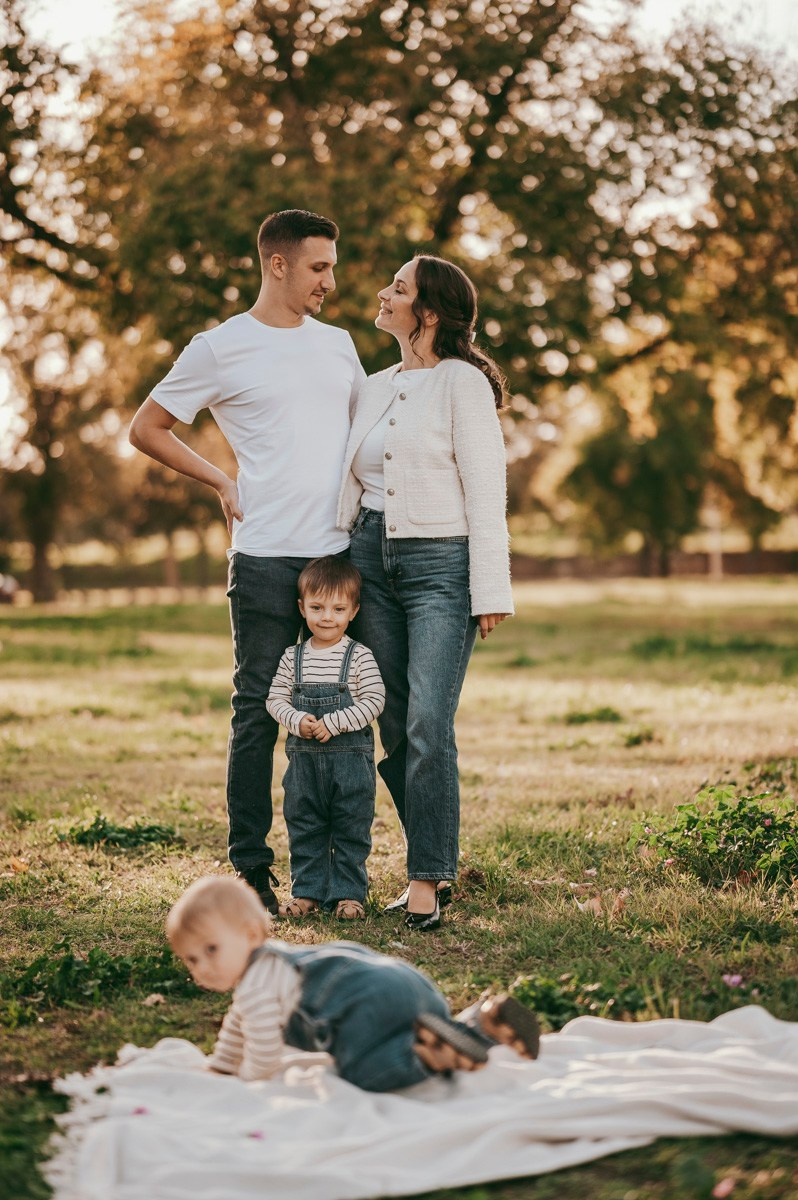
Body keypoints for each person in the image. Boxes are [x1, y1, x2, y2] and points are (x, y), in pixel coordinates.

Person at [129, 210, 365, 914]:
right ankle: (253, 869)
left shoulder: (341, 345)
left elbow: (364, 434)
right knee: (258, 713)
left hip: (337, 558)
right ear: (279, 264)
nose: (331, 279)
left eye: (333, 265)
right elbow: (146, 428)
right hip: (263, 557)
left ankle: (335, 873)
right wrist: (220, 480)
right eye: (319, 267)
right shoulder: (219, 347)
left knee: (344, 711)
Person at [337, 254, 513, 930]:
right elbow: (351, 479)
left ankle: (425, 880)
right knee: (395, 721)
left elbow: (486, 486)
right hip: (369, 560)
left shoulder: (462, 383)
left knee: (428, 723)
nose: (383, 293)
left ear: (429, 313)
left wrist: (489, 585)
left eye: (399, 288)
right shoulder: (374, 384)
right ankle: (433, 859)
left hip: (443, 563)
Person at [166, 875, 540, 1090]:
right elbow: (238, 1026)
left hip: (370, 1004)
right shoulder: (271, 963)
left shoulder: (255, 986)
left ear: (250, 934)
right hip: (407, 984)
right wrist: (220, 1066)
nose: (203, 968)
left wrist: (246, 1082)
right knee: (417, 1028)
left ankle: (429, 1054)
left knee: (364, 1070)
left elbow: (263, 1052)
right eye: (191, 960)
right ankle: (481, 1023)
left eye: (212, 949)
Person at [265, 556, 385, 921]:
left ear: (354, 611)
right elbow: (274, 699)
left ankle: (349, 894)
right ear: (302, 608)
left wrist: (334, 723)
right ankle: (308, 892)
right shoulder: (292, 657)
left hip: (350, 762)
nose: (327, 617)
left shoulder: (359, 656)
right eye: (317, 607)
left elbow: (375, 700)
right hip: (304, 764)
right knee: (305, 825)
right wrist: (297, 719)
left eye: (338, 608)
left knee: (351, 826)